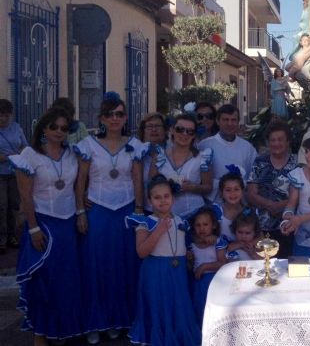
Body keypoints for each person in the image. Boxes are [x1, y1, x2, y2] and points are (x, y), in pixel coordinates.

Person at [73, 92, 147, 344]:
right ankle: (95, 322)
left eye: (119, 114)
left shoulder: (135, 145)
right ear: (101, 118)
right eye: (109, 114)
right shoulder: (88, 145)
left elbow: (137, 179)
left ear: (125, 117)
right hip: (98, 211)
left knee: (123, 265)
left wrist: (138, 210)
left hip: (126, 211)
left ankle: (119, 319)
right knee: (96, 266)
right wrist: (80, 210)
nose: (115, 118)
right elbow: (80, 180)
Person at [9, 108, 84, 345]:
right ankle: (40, 334)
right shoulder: (29, 155)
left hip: (68, 223)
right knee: (43, 280)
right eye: (54, 127)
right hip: (43, 223)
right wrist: (33, 228)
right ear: (43, 128)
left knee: (66, 280)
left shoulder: (73, 154)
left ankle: (60, 330)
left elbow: (78, 188)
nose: (59, 132)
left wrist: (82, 210)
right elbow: (25, 196)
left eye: (64, 128)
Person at [126, 175, 200, 345]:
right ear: (150, 200)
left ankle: (177, 334)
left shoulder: (181, 221)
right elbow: (141, 252)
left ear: (173, 198)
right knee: (159, 304)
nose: (162, 201)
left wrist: (188, 256)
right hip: (156, 272)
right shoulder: (145, 222)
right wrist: (158, 231)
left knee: (177, 304)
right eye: (157, 197)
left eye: (166, 196)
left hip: (177, 271)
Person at [247, 121, 299, 258]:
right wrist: (270, 205)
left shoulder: (297, 163)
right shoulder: (260, 162)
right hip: (262, 228)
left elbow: (302, 194)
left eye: (280, 139)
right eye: (273, 140)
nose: (276, 143)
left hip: (289, 227)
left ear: (288, 141)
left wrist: (279, 206)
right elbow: (251, 193)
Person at [150, 114, 213, 220]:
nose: (184, 134)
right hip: (164, 215)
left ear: (194, 135)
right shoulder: (159, 156)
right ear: (172, 130)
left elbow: (208, 187)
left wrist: (192, 187)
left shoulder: (203, 157)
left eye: (190, 131)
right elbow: (150, 185)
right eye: (180, 129)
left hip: (195, 215)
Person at [199, 104, 257, 203]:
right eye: (225, 120)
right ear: (217, 121)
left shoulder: (248, 148)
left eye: (233, 120)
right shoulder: (204, 145)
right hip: (212, 205)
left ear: (238, 122)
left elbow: (254, 177)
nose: (229, 124)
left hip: (240, 206)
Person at [189, 208, 226, 327]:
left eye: (205, 224)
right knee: (200, 309)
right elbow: (190, 267)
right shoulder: (192, 245)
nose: (202, 228)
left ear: (214, 225)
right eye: (198, 225)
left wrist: (204, 267)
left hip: (215, 282)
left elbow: (222, 263)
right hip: (198, 284)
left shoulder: (218, 242)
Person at [0, 99, 27, 253]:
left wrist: (21, 154)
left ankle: (12, 236)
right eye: (0, 115)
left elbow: (25, 145)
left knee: (13, 206)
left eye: (5, 115)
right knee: (1, 206)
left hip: (15, 173)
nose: (2, 118)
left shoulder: (16, 128)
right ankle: (1, 240)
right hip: (0, 174)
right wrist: (3, 158)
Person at [212, 168, 254, 244]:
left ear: (242, 191)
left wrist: (239, 245)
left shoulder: (248, 212)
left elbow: (260, 237)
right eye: (228, 190)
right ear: (221, 193)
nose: (232, 193)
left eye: (236, 189)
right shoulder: (216, 212)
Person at [138, 113, 168, 213]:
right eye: (150, 126)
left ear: (165, 130)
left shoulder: (173, 151)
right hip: (144, 209)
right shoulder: (136, 153)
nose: (154, 130)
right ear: (143, 131)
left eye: (158, 126)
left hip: (169, 211)